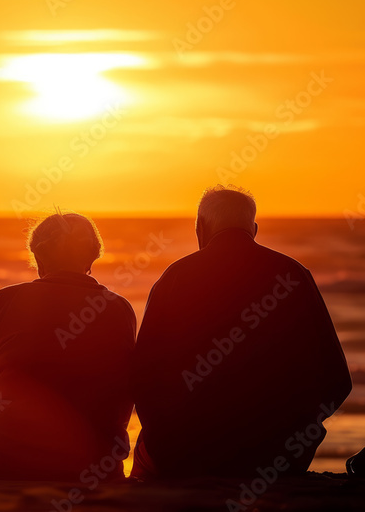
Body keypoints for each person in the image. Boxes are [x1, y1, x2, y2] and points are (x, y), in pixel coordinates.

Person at [130, 186, 352, 479]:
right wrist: (299, 429)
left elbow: (141, 377)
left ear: (200, 228)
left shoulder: (174, 278)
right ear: (254, 229)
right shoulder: (293, 275)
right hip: (280, 458)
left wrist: (168, 433)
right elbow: (338, 380)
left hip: (186, 456)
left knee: (144, 462)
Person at [0, 211, 136, 480]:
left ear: (38, 258)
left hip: (12, 458)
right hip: (96, 462)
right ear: (93, 256)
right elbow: (124, 398)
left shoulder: (9, 299)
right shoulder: (120, 308)